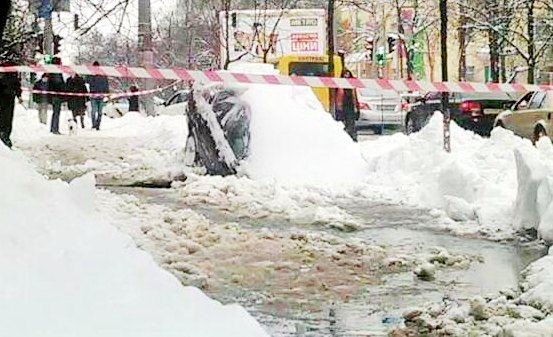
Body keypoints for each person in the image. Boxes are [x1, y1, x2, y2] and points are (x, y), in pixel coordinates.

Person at [0, 62, 22, 148]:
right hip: (8, 97)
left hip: (7, 97)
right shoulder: (13, 70)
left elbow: (16, 84)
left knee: (6, 117)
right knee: (7, 118)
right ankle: (5, 136)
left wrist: (19, 95)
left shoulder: (8, 69)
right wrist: (18, 95)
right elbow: (17, 84)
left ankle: (4, 136)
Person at [335, 70, 360, 142]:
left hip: (350, 104)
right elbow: (338, 95)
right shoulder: (340, 83)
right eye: (345, 74)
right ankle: (343, 138)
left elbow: (355, 96)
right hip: (343, 104)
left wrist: (356, 106)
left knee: (351, 122)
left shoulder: (352, 83)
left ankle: (353, 137)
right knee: (342, 122)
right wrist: (338, 105)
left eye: (348, 74)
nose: (346, 76)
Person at [88, 61, 110, 130]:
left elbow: (87, 81)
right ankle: (96, 125)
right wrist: (107, 93)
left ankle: (95, 124)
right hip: (99, 95)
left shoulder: (91, 74)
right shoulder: (102, 75)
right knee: (99, 111)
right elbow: (106, 84)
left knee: (95, 111)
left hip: (95, 95)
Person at [48, 57, 66, 135]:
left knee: (55, 112)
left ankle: (53, 128)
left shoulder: (51, 71)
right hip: (56, 95)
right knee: (56, 112)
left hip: (53, 94)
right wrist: (64, 89)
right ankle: (55, 129)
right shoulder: (56, 72)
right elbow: (58, 84)